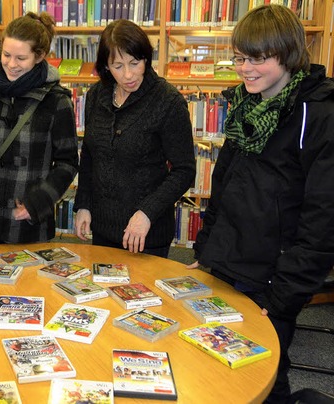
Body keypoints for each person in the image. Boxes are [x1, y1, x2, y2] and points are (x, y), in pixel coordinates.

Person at [188, 5, 334, 402]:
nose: (245, 69)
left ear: (287, 54)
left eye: (257, 59)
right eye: (239, 58)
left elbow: (322, 222)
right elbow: (226, 185)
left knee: (265, 379)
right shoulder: (247, 104)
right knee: (216, 369)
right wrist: (207, 250)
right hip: (228, 265)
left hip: (272, 280)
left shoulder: (319, 115)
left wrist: (282, 297)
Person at [73, 19, 196, 258]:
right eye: (118, 66)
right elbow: (90, 154)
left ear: (146, 59)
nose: (128, 74)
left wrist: (147, 212)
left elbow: (184, 170)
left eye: (135, 63)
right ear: (106, 66)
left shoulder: (168, 101)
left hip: (146, 234)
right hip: (102, 228)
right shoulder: (96, 96)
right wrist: (84, 204)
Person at [0, 12, 79, 246]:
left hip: (29, 224)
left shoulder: (56, 101)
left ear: (39, 56)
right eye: (6, 55)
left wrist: (38, 202)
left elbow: (68, 163)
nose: (11, 64)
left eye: (21, 58)